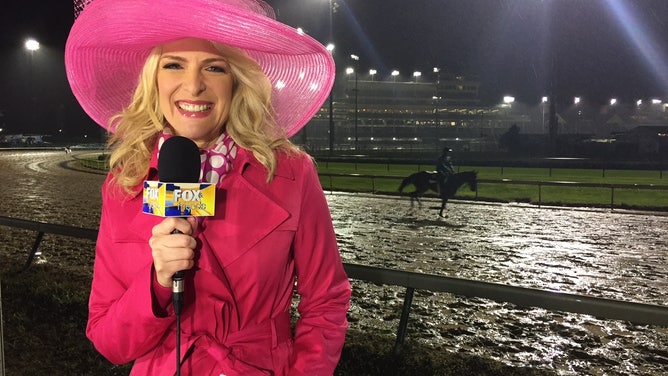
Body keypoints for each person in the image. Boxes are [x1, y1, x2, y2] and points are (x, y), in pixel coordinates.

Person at [65, 0, 351, 375]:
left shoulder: (291, 173)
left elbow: (326, 303)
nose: (194, 85)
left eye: (214, 67)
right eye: (174, 65)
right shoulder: (125, 183)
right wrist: (158, 283)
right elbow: (109, 341)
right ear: (153, 79)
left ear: (237, 80)